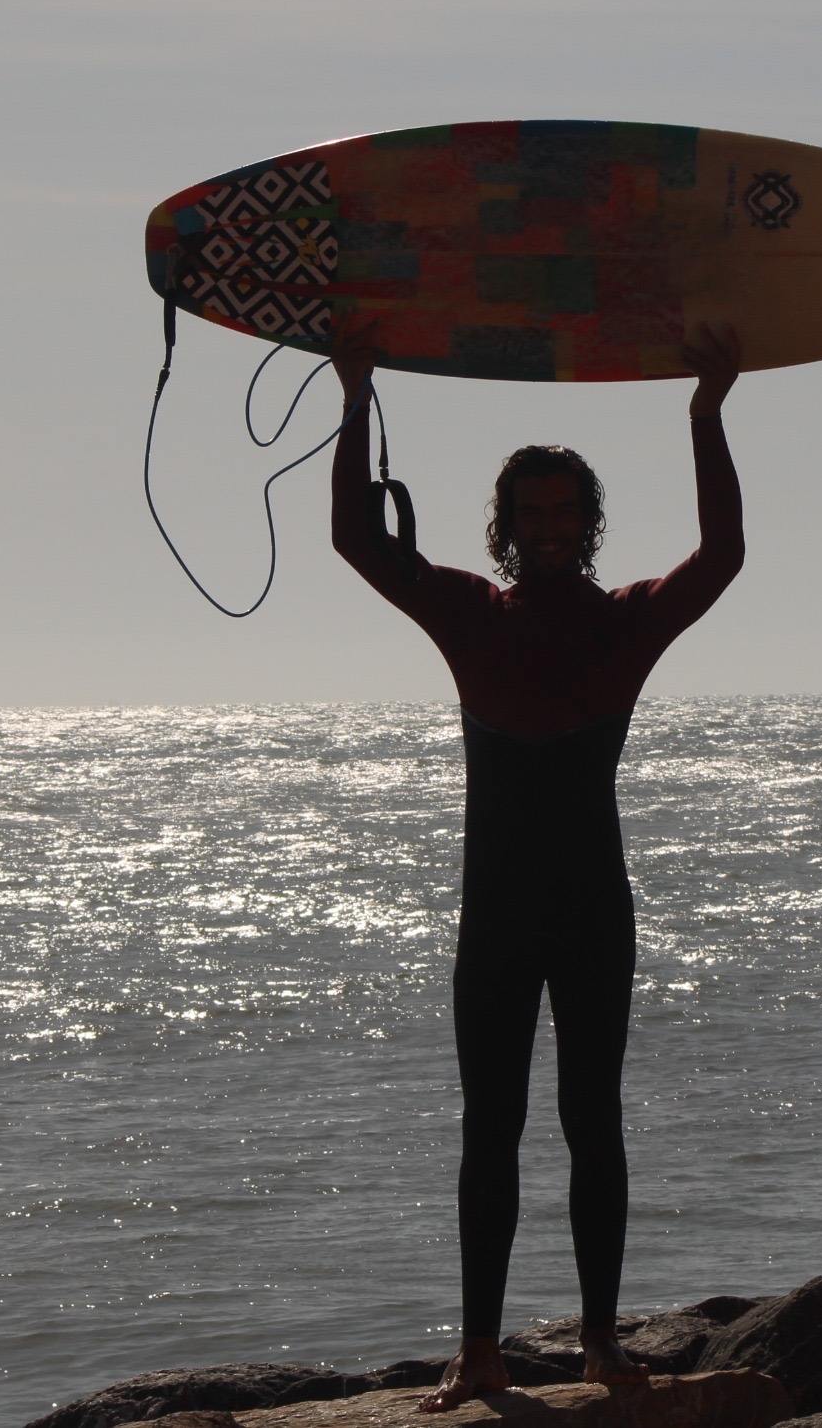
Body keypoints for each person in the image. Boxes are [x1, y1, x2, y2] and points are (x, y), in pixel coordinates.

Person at [328, 314, 745, 1413]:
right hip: (498, 917)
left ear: (588, 523)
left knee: (591, 1121)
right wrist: (355, 398)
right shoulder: (470, 610)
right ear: (505, 525)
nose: (550, 527)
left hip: (592, 912)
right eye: (532, 512)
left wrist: (704, 415)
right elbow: (359, 544)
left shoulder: (625, 623)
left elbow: (724, 557)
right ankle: (478, 1348)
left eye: (566, 512)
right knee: (490, 1126)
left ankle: (602, 1341)